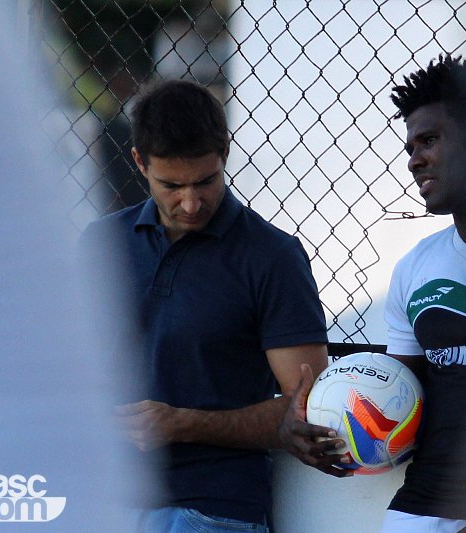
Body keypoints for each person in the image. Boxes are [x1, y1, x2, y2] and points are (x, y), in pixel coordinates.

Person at [280, 52, 466, 531]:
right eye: (411, 146)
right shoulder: (416, 268)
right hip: (423, 506)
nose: (415, 160)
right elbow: (397, 400)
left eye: (430, 141)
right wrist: (320, 429)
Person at [80, 79, 330, 532]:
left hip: (211, 508)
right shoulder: (100, 244)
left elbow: (309, 407)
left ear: (226, 156)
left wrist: (182, 424)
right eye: (171, 185)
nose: (191, 203)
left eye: (206, 181)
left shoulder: (272, 256)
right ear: (139, 162)